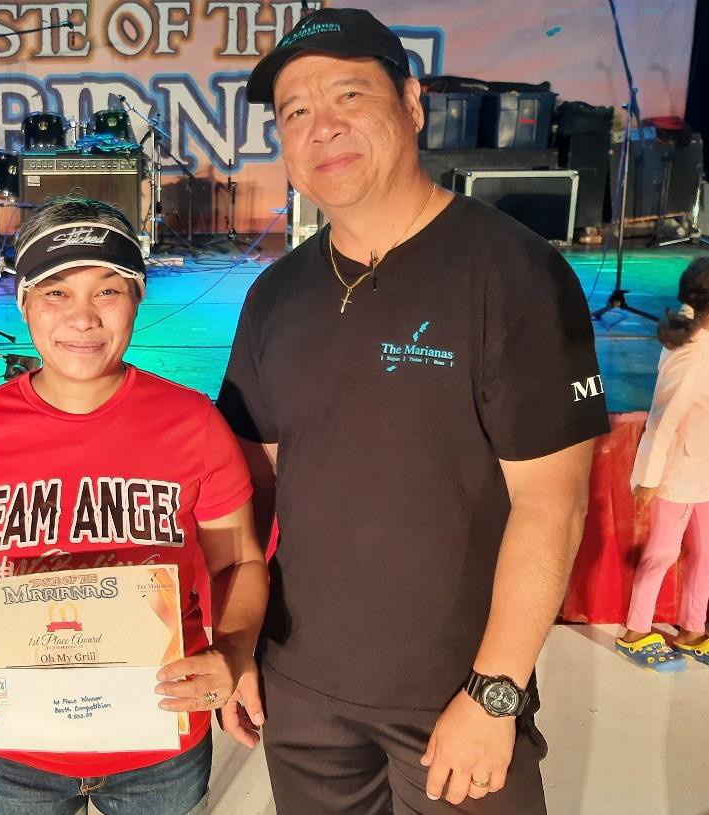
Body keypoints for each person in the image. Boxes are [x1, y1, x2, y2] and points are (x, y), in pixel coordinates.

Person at [218, 7, 611, 812]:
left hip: (452, 697)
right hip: (303, 694)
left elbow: (552, 502)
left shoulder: (514, 275)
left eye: (349, 96)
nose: (322, 127)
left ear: (413, 102)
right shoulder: (274, 297)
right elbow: (247, 493)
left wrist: (494, 692)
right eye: (295, 112)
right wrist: (237, 642)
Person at [0, 195, 268, 815]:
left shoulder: (193, 424)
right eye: (57, 292)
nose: (83, 318)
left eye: (108, 291)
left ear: (139, 298)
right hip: (19, 745)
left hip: (162, 742)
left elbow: (240, 563)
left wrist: (234, 650)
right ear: (23, 303)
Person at [618, 257, 709, 673]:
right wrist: (649, 477)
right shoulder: (692, 355)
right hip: (678, 475)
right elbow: (663, 420)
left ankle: (692, 629)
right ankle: (636, 630)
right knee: (662, 551)